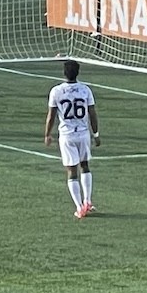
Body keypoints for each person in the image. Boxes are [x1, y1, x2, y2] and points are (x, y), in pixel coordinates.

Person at [44, 60, 99, 219]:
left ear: (64, 73)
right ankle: (88, 200)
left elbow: (51, 116)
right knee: (85, 166)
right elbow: (92, 114)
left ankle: (79, 206)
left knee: (71, 171)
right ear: (78, 72)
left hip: (67, 135)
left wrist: (47, 134)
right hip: (83, 134)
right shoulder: (85, 90)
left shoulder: (56, 91)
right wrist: (95, 134)